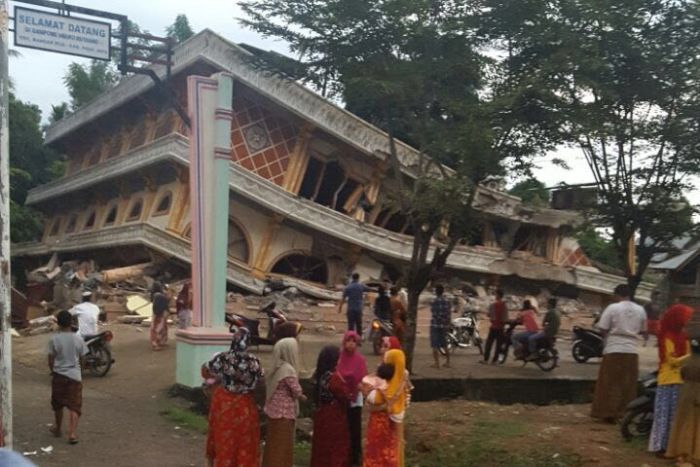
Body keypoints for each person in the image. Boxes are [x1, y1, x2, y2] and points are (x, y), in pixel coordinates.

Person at [202, 327, 264, 467]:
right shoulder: (254, 361)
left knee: (224, 438)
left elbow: (205, 371)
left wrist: (219, 379)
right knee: (244, 440)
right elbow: (260, 382)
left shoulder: (223, 358)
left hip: (224, 404)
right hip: (245, 405)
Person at [591, 284, 647, 423]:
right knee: (628, 384)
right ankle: (625, 413)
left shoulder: (613, 308)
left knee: (608, 382)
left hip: (614, 348)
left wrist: (607, 338)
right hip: (632, 350)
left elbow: (603, 328)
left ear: (617, 295)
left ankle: (606, 412)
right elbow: (643, 330)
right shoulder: (641, 310)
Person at [648, 304, 693, 455]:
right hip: (668, 380)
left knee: (674, 416)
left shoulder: (684, 336)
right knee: (663, 415)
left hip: (681, 379)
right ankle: (659, 445)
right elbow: (672, 360)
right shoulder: (667, 336)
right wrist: (692, 357)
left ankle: (671, 446)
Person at [262, 337, 306, 467]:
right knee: (283, 445)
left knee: (273, 443)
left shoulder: (277, 367)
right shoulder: (288, 370)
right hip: (284, 413)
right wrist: (303, 396)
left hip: (272, 411)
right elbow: (296, 391)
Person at [363, 349, 410, 467]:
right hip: (393, 429)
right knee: (391, 454)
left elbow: (371, 405)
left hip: (379, 427)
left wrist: (381, 406)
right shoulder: (401, 385)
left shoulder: (382, 387)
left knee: (378, 455)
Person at [48, 309, 88, 445]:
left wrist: (53, 371)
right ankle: (72, 433)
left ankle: (58, 429)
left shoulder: (54, 339)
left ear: (58, 323)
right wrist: (80, 371)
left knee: (58, 404)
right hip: (74, 376)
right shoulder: (78, 338)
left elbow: (50, 359)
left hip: (59, 375)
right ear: (71, 322)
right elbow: (83, 358)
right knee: (74, 405)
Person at [310, 345, 351, 467]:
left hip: (322, 413)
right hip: (334, 415)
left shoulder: (319, 376)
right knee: (335, 445)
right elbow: (344, 396)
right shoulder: (334, 378)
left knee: (321, 445)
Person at [666, 339, 700, 464]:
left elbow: (681, 373)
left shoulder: (687, 360)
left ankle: (679, 454)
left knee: (682, 422)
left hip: (686, 393)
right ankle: (694, 455)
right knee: (696, 425)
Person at [337, 331, 368, 466]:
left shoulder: (360, 360)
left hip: (356, 399)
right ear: (344, 342)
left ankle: (355, 457)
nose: (351, 344)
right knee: (342, 428)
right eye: (348, 341)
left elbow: (363, 378)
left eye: (354, 341)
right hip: (341, 398)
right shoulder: (338, 358)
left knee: (355, 428)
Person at [481, 289, 508, 365]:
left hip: (493, 327)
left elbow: (489, 315)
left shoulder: (492, 305)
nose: (495, 296)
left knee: (489, 344)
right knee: (498, 345)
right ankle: (494, 361)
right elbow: (505, 318)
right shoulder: (504, 306)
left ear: (498, 295)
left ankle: (486, 359)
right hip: (501, 328)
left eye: (496, 294)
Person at [430, 284, 452, 369]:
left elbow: (434, 314)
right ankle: (448, 362)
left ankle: (437, 363)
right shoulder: (447, 301)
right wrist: (447, 323)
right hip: (444, 325)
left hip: (435, 325)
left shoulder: (434, 301)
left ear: (436, 292)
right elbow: (448, 314)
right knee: (444, 344)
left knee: (435, 345)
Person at [150, 282, 170, 350]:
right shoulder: (160, 296)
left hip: (156, 313)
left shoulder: (154, 295)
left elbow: (155, 306)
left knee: (156, 328)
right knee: (158, 328)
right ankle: (156, 343)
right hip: (160, 314)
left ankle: (157, 342)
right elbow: (163, 306)